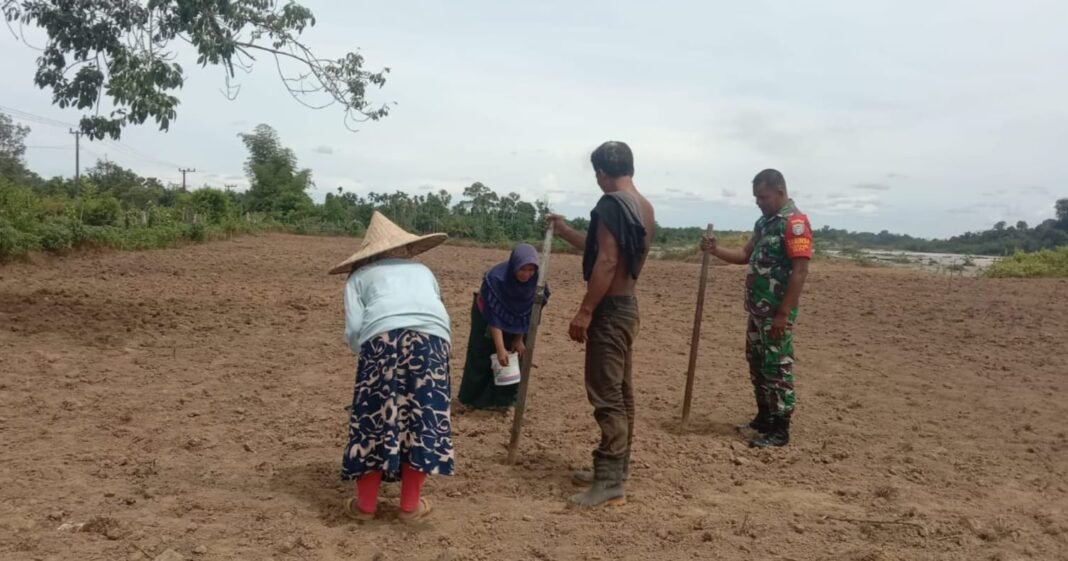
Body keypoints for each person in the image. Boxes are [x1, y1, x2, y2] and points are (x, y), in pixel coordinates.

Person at [547, 140, 655, 508]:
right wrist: (564, 232)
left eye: (597, 174)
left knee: (606, 395)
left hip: (609, 310)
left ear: (602, 173)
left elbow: (606, 262)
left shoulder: (610, 205)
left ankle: (609, 484)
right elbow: (603, 251)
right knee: (621, 393)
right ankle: (616, 469)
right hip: (628, 306)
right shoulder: (644, 208)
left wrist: (585, 310)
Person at [329, 210, 454, 522]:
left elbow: (355, 330)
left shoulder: (357, 277)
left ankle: (365, 507)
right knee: (423, 419)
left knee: (372, 418)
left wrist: (371, 357)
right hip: (432, 341)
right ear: (404, 248)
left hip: (381, 340)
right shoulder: (423, 271)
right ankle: (410, 507)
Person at [700, 169, 812, 448]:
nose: (759, 202)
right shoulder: (764, 223)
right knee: (757, 363)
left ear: (779, 192)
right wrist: (715, 250)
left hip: (776, 314)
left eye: (762, 196)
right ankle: (763, 417)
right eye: (756, 197)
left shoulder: (794, 224)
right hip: (757, 311)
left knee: (778, 367)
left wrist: (783, 315)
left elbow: (800, 271)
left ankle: (780, 428)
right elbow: (743, 256)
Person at [457, 243, 548, 410]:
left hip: (520, 322)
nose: (526, 274)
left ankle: (504, 401)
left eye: (531, 270)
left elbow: (530, 314)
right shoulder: (496, 280)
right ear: (514, 265)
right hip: (487, 317)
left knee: (515, 356)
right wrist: (499, 347)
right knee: (485, 353)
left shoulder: (537, 285)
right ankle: (474, 400)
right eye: (522, 269)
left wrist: (518, 338)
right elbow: (494, 316)